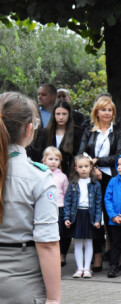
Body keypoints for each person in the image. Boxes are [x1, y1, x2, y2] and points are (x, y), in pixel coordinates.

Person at [0, 91, 61, 303]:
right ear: (28, 129)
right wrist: (54, 299)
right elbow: (47, 244)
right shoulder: (38, 176)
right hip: (21, 285)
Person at [78, 96, 121, 271]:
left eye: (110, 110)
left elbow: (119, 156)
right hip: (91, 178)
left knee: (110, 216)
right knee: (94, 217)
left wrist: (97, 161)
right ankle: (97, 256)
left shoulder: (118, 131)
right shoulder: (89, 130)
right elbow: (81, 153)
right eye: (103, 109)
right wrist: (92, 168)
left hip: (111, 178)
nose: (107, 113)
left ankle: (115, 256)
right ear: (96, 112)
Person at [64, 154, 102, 279]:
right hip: (77, 215)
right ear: (76, 168)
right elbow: (68, 201)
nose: (83, 169)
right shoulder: (73, 183)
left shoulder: (95, 184)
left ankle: (87, 268)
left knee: (89, 242)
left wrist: (98, 219)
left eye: (86, 166)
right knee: (78, 242)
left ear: (91, 167)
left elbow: (98, 203)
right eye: (80, 167)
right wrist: (67, 217)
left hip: (89, 215)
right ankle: (79, 268)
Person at [42, 146, 70, 267]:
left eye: (56, 159)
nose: (53, 162)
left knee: (62, 233)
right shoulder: (41, 174)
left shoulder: (62, 176)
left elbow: (66, 193)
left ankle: (61, 254)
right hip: (46, 208)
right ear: (44, 160)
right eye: (50, 159)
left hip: (60, 207)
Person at [42, 100, 83, 175]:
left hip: (69, 174)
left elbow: (78, 155)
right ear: (53, 115)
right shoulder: (45, 132)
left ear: (69, 115)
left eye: (64, 114)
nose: (61, 117)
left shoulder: (77, 132)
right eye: (58, 114)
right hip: (47, 173)